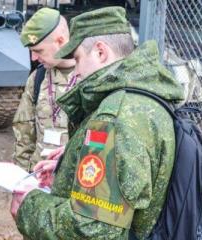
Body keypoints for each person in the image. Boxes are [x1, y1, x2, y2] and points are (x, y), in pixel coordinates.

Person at [10, 6, 184, 239]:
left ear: (101, 52)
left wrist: (30, 205)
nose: (77, 71)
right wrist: (70, 163)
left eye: (79, 58)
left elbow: (92, 228)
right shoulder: (143, 97)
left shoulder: (116, 118)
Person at [12, 7, 76, 172]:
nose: (33, 58)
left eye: (38, 50)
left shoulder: (90, 77)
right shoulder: (38, 78)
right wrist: (20, 182)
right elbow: (24, 135)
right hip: (38, 177)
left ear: (60, 41)